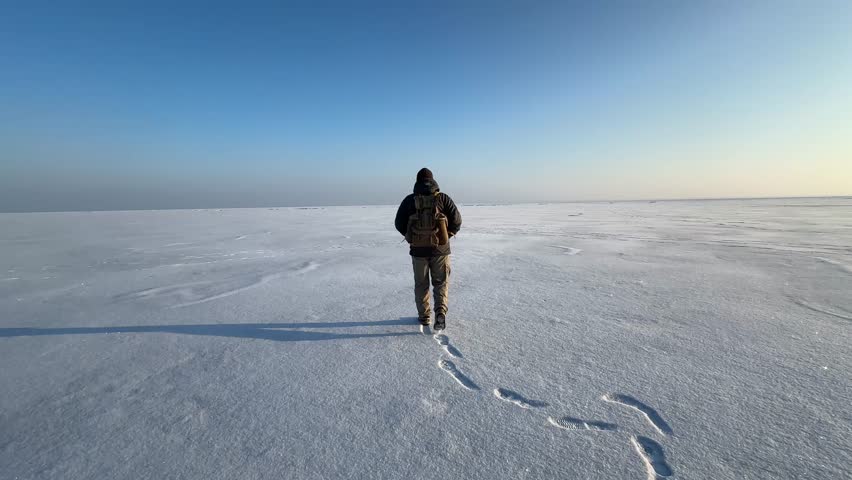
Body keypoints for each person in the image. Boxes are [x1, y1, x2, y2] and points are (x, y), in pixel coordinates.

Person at [395, 168, 462, 331]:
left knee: (421, 284)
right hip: (441, 250)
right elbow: (457, 221)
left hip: (418, 251)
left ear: (417, 181)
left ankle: (424, 317)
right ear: (433, 181)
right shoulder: (443, 198)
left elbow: (398, 223)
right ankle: (440, 312)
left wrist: (412, 236)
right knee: (441, 283)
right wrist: (448, 235)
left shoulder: (410, 200)